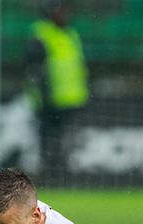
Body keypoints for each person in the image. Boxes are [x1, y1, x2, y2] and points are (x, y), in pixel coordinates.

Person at [27, 0, 89, 185]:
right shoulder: (41, 35)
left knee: (66, 142)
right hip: (49, 102)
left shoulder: (71, 34)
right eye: (61, 10)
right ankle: (48, 177)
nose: (65, 14)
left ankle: (62, 176)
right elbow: (35, 70)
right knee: (48, 142)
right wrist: (43, 96)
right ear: (50, 12)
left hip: (72, 100)